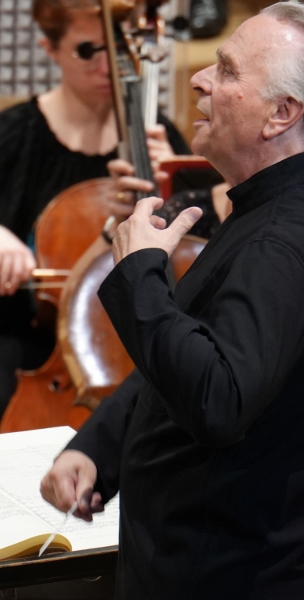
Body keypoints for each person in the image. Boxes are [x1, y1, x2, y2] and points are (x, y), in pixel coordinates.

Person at [40, 3, 304, 599]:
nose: (199, 80)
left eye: (227, 69)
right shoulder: (272, 213)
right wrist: (99, 447)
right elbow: (192, 349)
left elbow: (217, 399)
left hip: (241, 577)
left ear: (281, 115)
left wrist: (141, 272)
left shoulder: (283, 243)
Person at [0, 0, 189, 417]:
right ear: (48, 49)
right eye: (88, 50)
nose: (108, 66)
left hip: (133, 343)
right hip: (31, 345)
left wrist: (173, 183)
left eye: (116, 48)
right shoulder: (15, 135)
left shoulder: (159, 136)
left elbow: (207, 242)